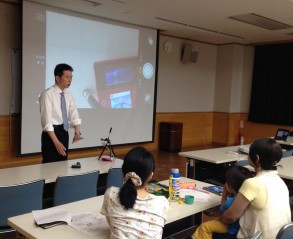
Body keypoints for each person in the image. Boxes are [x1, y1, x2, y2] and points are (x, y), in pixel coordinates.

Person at [215, 138, 291, 239]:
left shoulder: (252, 183)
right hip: (282, 235)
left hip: (259, 236)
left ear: (257, 158)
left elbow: (231, 216)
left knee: (211, 231)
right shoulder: (280, 182)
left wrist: (219, 219)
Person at [101, 147, 170, 239]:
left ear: (123, 170)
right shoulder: (162, 203)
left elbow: (111, 225)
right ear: (150, 176)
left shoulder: (110, 194)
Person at [192, 166, 253, 239]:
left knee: (204, 227)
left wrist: (224, 193)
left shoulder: (231, 201)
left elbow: (222, 208)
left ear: (229, 186)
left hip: (230, 229)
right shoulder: (247, 199)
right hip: (242, 229)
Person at [39, 63, 83, 163]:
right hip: (51, 134)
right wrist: (56, 142)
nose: (70, 80)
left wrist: (77, 132)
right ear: (57, 78)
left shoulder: (69, 94)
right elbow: (47, 122)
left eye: (71, 77)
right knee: (50, 165)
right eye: (67, 77)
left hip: (64, 131)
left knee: (63, 164)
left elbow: (74, 114)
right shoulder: (47, 94)